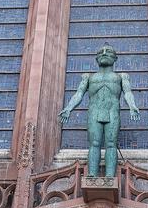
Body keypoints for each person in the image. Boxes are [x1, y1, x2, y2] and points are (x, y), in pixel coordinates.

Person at [58, 44, 141, 177]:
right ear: (96, 58)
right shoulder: (89, 77)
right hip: (94, 113)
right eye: (101, 52)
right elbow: (78, 94)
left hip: (112, 113)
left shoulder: (121, 77)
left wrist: (132, 105)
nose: (104, 53)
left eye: (108, 51)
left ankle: (109, 177)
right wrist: (68, 108)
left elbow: (128, 93)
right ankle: (91, 175)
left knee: (111, 144)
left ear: (115, 58)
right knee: (94, 143)